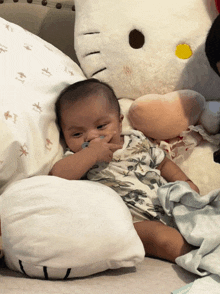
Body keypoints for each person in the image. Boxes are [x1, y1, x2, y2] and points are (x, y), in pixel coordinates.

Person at [50, 79, 199, 263]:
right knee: (163, 239)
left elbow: (163, 163)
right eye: (77, 134)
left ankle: (206, 240)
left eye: (101, 126)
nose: (91, 136)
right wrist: (92, 154)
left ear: (120, 122)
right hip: (131, 224)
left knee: (207, 214)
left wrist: (185, 181)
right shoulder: (79, 157)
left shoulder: (137, 140)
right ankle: (202, 258)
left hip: (170, 207)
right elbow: (57, 175)